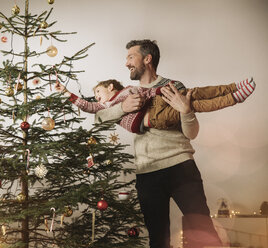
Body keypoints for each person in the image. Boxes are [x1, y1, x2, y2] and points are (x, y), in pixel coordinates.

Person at [94, 39, 239, 248]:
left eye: (130, 57)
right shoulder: (127, 95)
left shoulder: (172, 87)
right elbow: (99, 118)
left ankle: (235, 93)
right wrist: (123, 108)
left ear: (147, 58)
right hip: (147, 174)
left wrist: (186, 111)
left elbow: (192, 133)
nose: (126, 63)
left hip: (181, 168)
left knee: (205, 233)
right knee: (158, 241)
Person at [55, 77, 255, 133]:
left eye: (98, 92)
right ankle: (235, 98)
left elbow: (147, 92)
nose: (96, 97)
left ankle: (234, 86)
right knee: (197, 106)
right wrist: (67, 93)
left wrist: (161, 90)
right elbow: (88, 108)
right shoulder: (105, 108)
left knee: (195, 93)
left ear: (110, 87)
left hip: (158, 100)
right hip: (155, 118)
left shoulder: (129, 89)